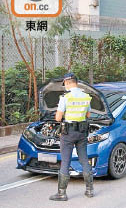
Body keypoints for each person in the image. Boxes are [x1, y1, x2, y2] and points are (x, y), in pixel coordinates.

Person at [50, 73, 93, 201]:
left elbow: (58, 118)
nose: (65, 87)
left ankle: (62, 193)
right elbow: (88, 115)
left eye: (65, 85)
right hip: (82, 132)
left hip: (68, 133)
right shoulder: (86, 96)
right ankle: (89, 190)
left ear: (68, 83)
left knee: (66, 161)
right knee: (84, 159)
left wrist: (60, 115)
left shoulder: (65, 97)